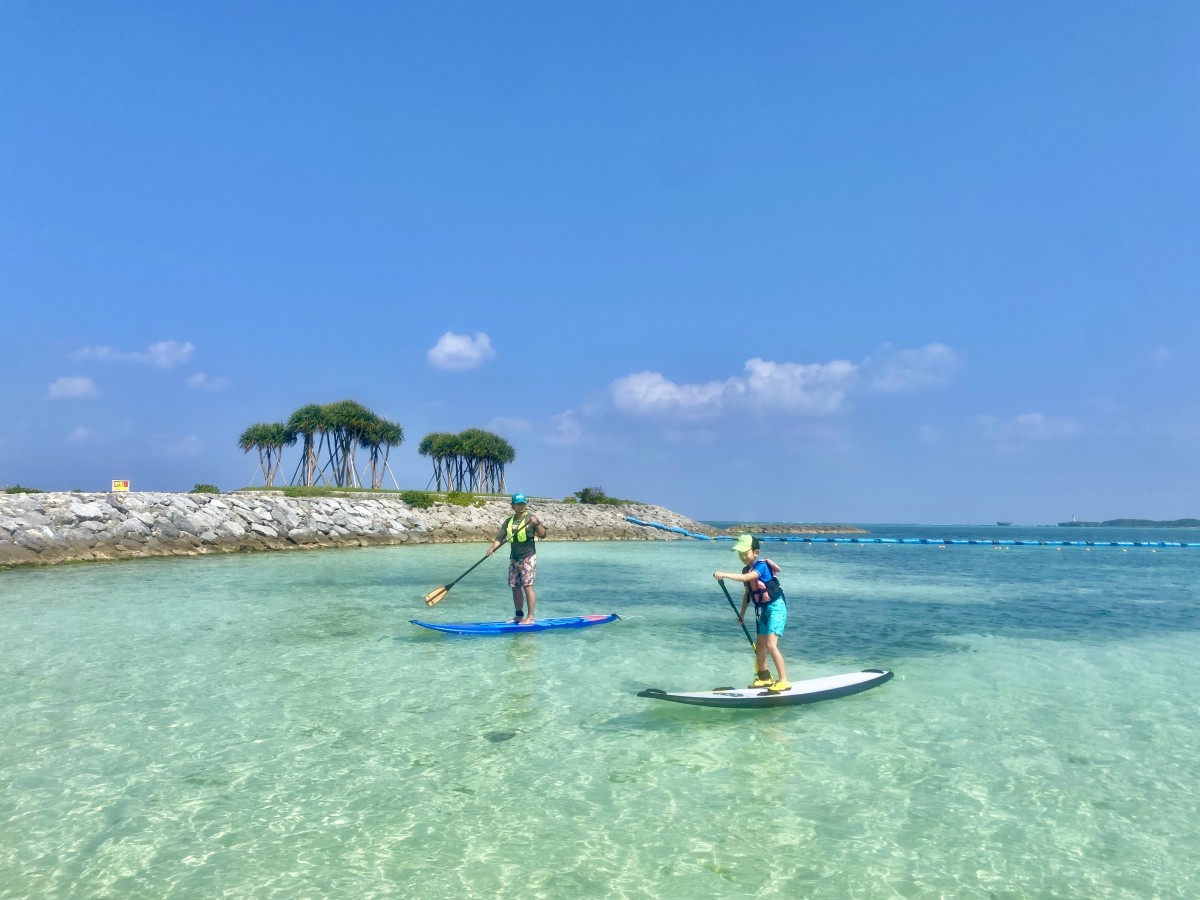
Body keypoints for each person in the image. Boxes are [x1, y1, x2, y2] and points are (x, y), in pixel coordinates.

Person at [713, 534, 790, 692]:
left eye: (745, 553)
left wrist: (725, 574)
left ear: (756, 552)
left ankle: (784, 680)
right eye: (739, 554)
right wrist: (742, 614)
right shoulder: (745, 569)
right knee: (760, 646)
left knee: (770, 645)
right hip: (764, 609)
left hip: (776, 607)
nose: (742, 557)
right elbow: (748, 594)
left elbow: (746, 578)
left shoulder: (761, 567)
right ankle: (764, 678)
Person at [486, 492, 546, 624]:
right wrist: (492, 548)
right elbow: (500, 537)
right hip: (514, 558)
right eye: (517, 504)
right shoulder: (508, 521)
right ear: (512, 506)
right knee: (515, 586)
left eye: (522, 504)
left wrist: (537, 524)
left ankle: (530, 617)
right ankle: (519, 615)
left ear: (525, 504)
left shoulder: (531, 519)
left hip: (528, 556)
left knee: (527, 586)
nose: (520, 506)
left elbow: (543, 535)